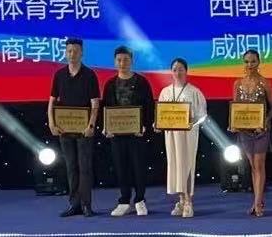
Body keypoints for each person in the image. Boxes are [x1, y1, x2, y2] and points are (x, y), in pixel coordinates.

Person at [47, 37, 99, 217]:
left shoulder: (90, 75)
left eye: (76, 51)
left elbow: (95, 103)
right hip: (64, 129)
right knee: (71, 167)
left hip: (84, 129)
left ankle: (86, 205)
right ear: (65, 53)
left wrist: (91, 125)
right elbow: (52, 101)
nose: (72, 54)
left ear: (82, 53)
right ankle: (73, 204)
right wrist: (52, 123)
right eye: (69, 51)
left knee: (85, 168)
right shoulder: (59, 75)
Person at [102, 46, 156, 217]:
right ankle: (124, 201)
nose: (122, 63)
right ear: (114, 62)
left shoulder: (142, 82)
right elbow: (105, 108)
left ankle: (140, 200)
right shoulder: (110, 84)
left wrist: (145, 126)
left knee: (139, 167)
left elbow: (149, 107)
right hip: (116, 135)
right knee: (121, 167)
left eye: (126, 59)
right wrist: (106, 127)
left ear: (131, 60)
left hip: (137, 134)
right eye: (119, 60)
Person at [159, 57, 208, 218]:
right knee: (175, 165)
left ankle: (188, 201)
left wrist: (191, 123)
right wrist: (159, 124)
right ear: (171, 72)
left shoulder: (195, 92)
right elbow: (161, 114)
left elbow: (202, 115)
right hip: (172, 135)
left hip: (188, 135)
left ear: (186, 71)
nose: (178, 72)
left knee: (187, 165)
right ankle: (180, 200)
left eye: (181, 69)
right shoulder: (165, 92)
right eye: (175, 69)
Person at [231, 49, 272, 217]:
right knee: (252, 166)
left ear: (259, 62)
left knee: (259, 165)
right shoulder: (238, 83)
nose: (249, 65)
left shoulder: (265, 83)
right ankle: (258, 200)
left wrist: (266, 120)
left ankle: (258, 203)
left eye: (253, 61)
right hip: (244, 131)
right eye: (247, 61)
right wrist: (234, 124)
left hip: (261, 130)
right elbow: (235, 108)